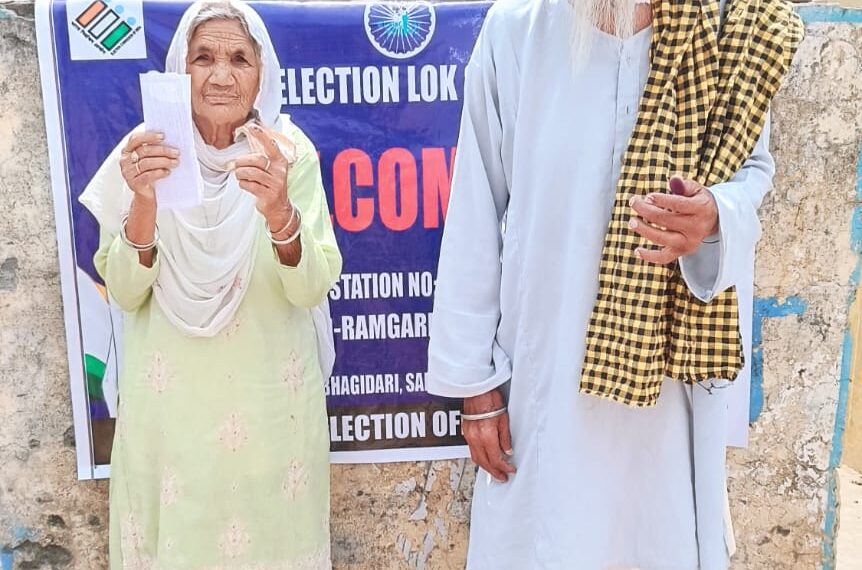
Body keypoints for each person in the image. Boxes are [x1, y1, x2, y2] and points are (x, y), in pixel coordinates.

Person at [427, 0, 803, 568]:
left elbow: (752, 172)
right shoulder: (517, 29)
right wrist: (476, 389)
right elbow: (475, 210)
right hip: (544, 381)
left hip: (666, 389)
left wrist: (715, 215)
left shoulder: (729, 31)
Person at [79, 1, 341, 568]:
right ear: (181, 71)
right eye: (204, 57)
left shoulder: (288, 155)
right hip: (169, 420)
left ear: (261, 74)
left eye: (239, 59)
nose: (222, 75)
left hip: (272, 415)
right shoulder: (146, 157)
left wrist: (279, 213)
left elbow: (311, 287)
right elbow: (123, 292)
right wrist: (144, 203)